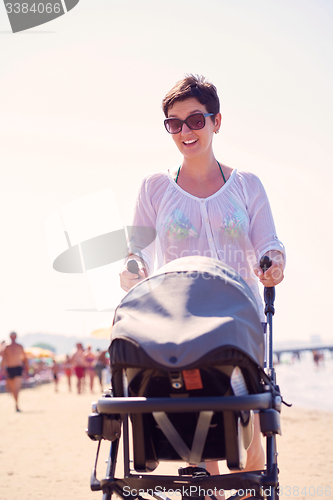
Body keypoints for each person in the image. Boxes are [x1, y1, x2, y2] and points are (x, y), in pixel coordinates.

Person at [119, 75, 285, 496]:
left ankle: (248, 487)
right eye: (174, 123)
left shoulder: (247, 185)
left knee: (245, 421)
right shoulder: (154, 188)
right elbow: (136, 250)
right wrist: (132, 270)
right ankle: (205, 489)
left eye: (195, 120)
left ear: (217, 121)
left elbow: (269, 243)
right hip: (179, 324)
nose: (186, 131)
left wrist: (274, 264)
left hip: (237, 322)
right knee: (198, 425)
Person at [1, 332, 28, 411]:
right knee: (13, 388)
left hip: (18, 368)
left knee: (16, 388)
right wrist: (3, 369)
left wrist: (26, 368)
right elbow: (3, 359)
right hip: (9, 369)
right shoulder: (6, 347)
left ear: (16, 337)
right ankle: (16, 403)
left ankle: (17, 405)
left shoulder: (19, 346)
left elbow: (25, 358)